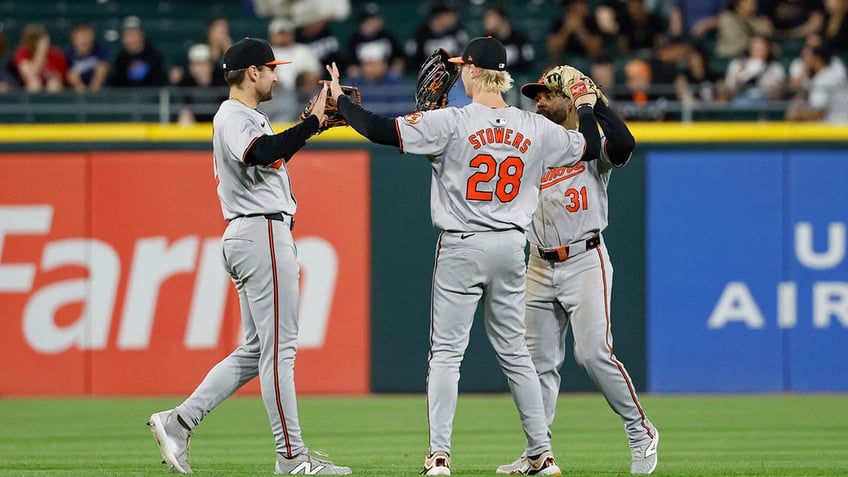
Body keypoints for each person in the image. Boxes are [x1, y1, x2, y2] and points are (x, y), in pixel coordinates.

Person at [325, 36, 603, 475]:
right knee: (516, 355)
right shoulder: (535, 127)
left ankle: (439, 456)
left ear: (473, 71)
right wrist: (586, 106)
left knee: (447, 355)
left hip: (462, 242)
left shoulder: (452, 122)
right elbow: (587, 145)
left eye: (461, 68)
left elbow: (380, 129)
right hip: (513, 245)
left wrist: (343, 102)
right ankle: (542, 455)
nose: (457, 75)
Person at [147, 37, 351, 475]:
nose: (277, 75)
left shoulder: (247, 116)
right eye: (271, 68)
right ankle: (292, 458)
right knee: (280, 353)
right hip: (260, 233)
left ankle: (179, 422)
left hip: (254, 234)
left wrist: (311, 126)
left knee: (257, 349)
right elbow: (263, 152)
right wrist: (311, 122)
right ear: (252, 72)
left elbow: (271, 151)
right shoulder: (233, 114)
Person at [496, 68, 659, 476]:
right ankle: (538, 453)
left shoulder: (591, 145)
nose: (539, 101)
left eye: (548, 95)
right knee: (537, 365)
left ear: (570, 101)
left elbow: (623, 145)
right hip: (538, 263)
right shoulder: (533, 145)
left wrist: (596, 104)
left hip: (585, 258)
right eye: (536, 95)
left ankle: (641, 432)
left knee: (593, 354)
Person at [785, 44, 848, 122]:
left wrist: (796, 114)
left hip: (835, 128)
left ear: (816, 58)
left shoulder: (823, 79)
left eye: (807, 57)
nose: (804, 61)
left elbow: (818, 113)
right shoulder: (831, 74)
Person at [109, 16, 167, 87]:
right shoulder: (120, 59)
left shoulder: (154, 56)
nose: (131, 39)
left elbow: (159, 84)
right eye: (127, 34)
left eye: (134, 34)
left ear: (142, 35)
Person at [14, 23, 67, 93]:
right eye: (32, 39)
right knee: (34, 84)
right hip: (31, 91)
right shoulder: (22, 53)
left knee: (53, 85)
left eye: (37, 38)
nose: (34, 42)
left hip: (54, 91)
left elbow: (61, 79)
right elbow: (31, 75)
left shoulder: (56, 54)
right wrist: (41, 52)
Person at [65, 23, 110, 93]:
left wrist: (93, 90)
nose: (84, 40)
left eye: (87, 36)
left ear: (92, 37)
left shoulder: (99, 50)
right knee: (72, 75)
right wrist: (80, 88)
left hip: (100, 91)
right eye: (80, 37)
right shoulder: (68, 54)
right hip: (77, 92)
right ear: (74, 39)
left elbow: (103, 68)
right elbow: (70, 75)